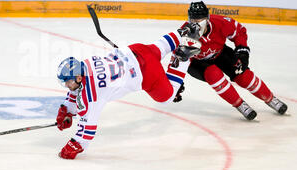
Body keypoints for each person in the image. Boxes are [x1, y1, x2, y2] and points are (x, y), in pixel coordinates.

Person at [54, 24, 201, 159]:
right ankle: (184, 30)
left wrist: (72, 147)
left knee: (168, 97)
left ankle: (182, 57)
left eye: (68, 82)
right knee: (158, 48)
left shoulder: (91, 96)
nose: (67, 85)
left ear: (79, 78)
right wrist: (67, 110)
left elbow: (87, 131)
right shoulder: (85, 64)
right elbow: (76, 92)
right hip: (134, 50)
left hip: (145, 72)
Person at [180, 1, 287, 120]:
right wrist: (176, 80)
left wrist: (242, 50)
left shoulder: (220, 22)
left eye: (200, 19)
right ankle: (240, 104)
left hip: (220, 53)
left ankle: (271, 99)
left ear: (208, 18)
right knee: (214, 74)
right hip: (197, 63)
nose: (197, 23)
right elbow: (178, 58)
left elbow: (239, 31)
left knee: (243, 75)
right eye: (193, 20)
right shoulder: (184, 34)